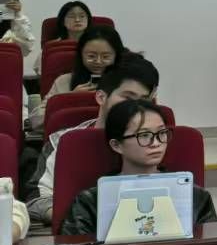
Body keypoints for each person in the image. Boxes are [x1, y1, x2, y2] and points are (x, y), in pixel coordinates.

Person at [30, 56, 159, 227]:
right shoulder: (63, 142)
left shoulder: (159, 142)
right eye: (128, 98)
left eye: (144, 100)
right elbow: (36, 199)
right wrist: (83, 218)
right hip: (80, 232)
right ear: (101, 97)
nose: (136, 107)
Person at [59, 100, 217, 236]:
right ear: (117, 145)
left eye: (162, 133)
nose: (156, 143)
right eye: (144, 135)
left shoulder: (194, 195)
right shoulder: (90, 202)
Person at [36, 24, 126, 126]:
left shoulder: (127, 82)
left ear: (116, 56)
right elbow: (36, 120)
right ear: (81, 54)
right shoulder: (64, 81)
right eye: (91, 56)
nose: (98, 61)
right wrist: (69, 99)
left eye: (106, 57)